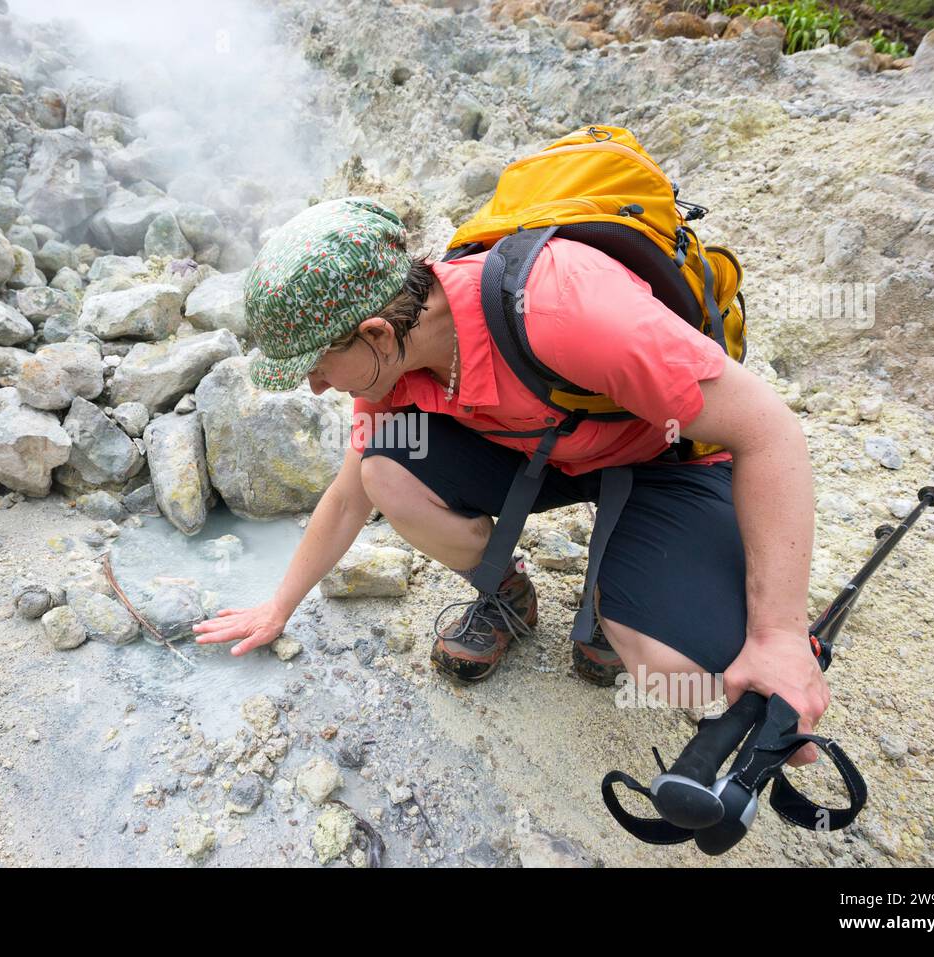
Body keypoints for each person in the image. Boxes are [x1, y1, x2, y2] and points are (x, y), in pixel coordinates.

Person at [192, 197, 827, 767]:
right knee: (384, 465)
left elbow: (769, 431)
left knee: (670, 673)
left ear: (377, 332)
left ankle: (624, 608)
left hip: (664, 458)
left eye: (318, 365)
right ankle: (506, 595)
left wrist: (777, 637)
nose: (316, 386)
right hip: (544, 450)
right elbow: (351, 492)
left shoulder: (566, 309)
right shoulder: (392, 370)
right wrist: (279, 607)